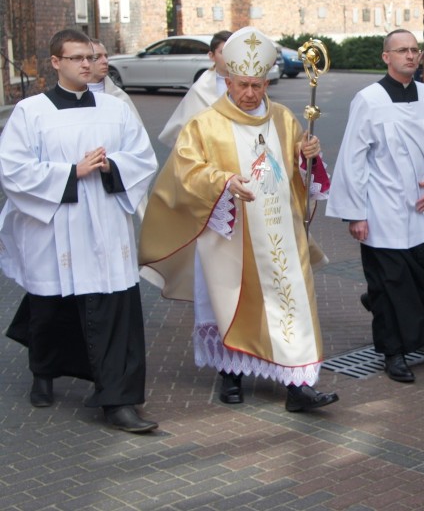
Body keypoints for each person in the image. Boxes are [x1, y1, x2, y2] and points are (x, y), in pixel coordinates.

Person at [138, 26, 338, 412]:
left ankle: (299, 386)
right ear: (227, 80)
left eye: (257, 85)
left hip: (281, 230)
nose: (249, 93)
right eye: (242, 84)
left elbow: (303, 173)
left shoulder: (282, 117)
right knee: (227, 302)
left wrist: (307, 156)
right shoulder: (205, 124)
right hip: (230, 234)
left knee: (291, 301)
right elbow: (184, 171)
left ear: (266, 82)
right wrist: (224, 181)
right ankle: (230, 373)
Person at [0, 29, 158, 433]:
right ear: (56, 63)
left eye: (90, 57)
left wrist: (111, 167)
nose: (87, 64)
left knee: (114, 312)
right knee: (50, 309)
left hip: (106, 226)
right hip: (55, 225)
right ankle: (43, 371)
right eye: (76, 58)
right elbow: (13, 170)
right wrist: (73, 172)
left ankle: (118, 401)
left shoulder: (115, 108)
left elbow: (142, 156)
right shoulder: (30, 112)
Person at [326, 29, 424, 383]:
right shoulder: (368, 100)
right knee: (390, 286)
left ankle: (401, 320)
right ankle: (393, 352)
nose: (411, 56)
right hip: (383, 209)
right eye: (402, 50)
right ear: (386, 57)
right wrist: (355, 213)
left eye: (415, 50)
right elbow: (352, 158)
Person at [158, 30, 232, 147]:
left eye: (232, 52)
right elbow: (185, 126)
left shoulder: (248, 82)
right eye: (223, 52)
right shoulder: (201, 87)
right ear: (211, 56)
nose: (229, 57)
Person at [88, 39, 142, 123]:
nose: (105, 61)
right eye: (97, 57)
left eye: (106, 56)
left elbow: (136, 130)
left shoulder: (119, 96)